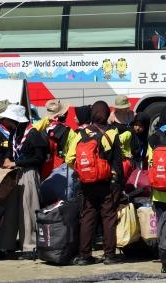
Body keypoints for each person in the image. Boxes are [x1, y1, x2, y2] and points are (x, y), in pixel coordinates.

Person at [67, 101, 124, 266]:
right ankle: (109, 255)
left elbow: (70, 158)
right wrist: (119, 182)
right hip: (107, 183)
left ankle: (84, 255)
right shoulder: (112, 133)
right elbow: (117, 161)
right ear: (106, 114)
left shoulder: (81, 133)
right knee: (108, 217)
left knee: (88, 216)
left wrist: (83, 171)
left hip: (87, 183)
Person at [0, 104, 47, 259]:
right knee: (11, 209)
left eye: (7, 118)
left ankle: (30, 246)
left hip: (29, 174)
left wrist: (17, 163)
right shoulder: (14, 133)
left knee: (29, 209)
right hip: (15, 174)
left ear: (14, 119)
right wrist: (7, 158)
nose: (4, 121)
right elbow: (10, 152)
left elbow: (39, 158)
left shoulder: (33, 134)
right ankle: (7, 244)